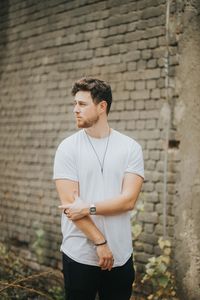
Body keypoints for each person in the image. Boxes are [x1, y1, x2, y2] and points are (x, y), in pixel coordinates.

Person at [53, 77, 144, 300]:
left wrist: (89, 207)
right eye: (74, 104)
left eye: (82, 104)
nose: (75, 110)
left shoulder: (130, 148)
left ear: (102, 107)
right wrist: (100, 242)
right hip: (80, 253)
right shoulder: (68, 148)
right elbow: (70, 207)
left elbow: (128, 201)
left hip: (121, 254)